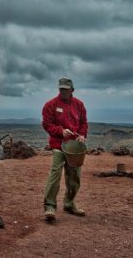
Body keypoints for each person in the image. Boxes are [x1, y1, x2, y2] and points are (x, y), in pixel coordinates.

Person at [41, 77, 88, 220]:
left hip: (74, 147)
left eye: (65, 90)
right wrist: (60, 131)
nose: (62, 92)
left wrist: (82, 135)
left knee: (74, 177)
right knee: (54, 176)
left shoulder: (79, 105)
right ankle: (49, 207)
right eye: (61, 89)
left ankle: (69, 204)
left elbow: (83, 123)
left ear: (72, 90)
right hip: (58, 145)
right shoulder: (50, 105)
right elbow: (46, 124)